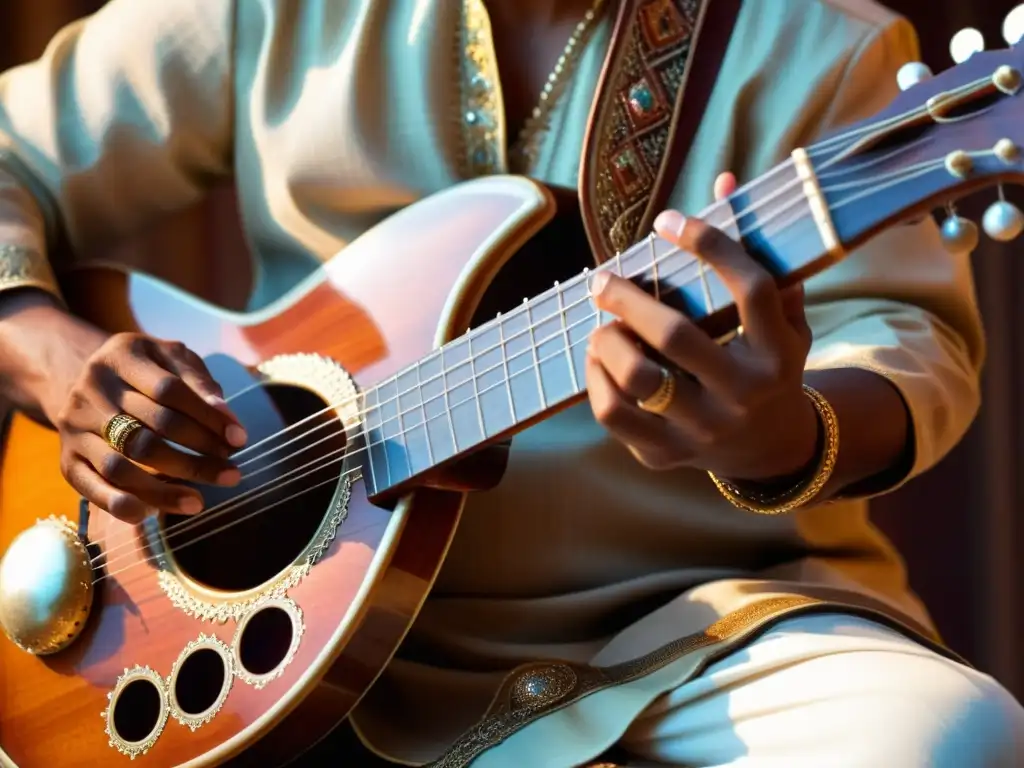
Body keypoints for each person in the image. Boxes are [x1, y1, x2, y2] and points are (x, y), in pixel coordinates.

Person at [0, 0, 1021, 765]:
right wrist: (50, 358)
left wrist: (774, 432)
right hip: (297, 643)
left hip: (687, 625)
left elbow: (904, 337)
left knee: (947, 739)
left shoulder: (817, 41)